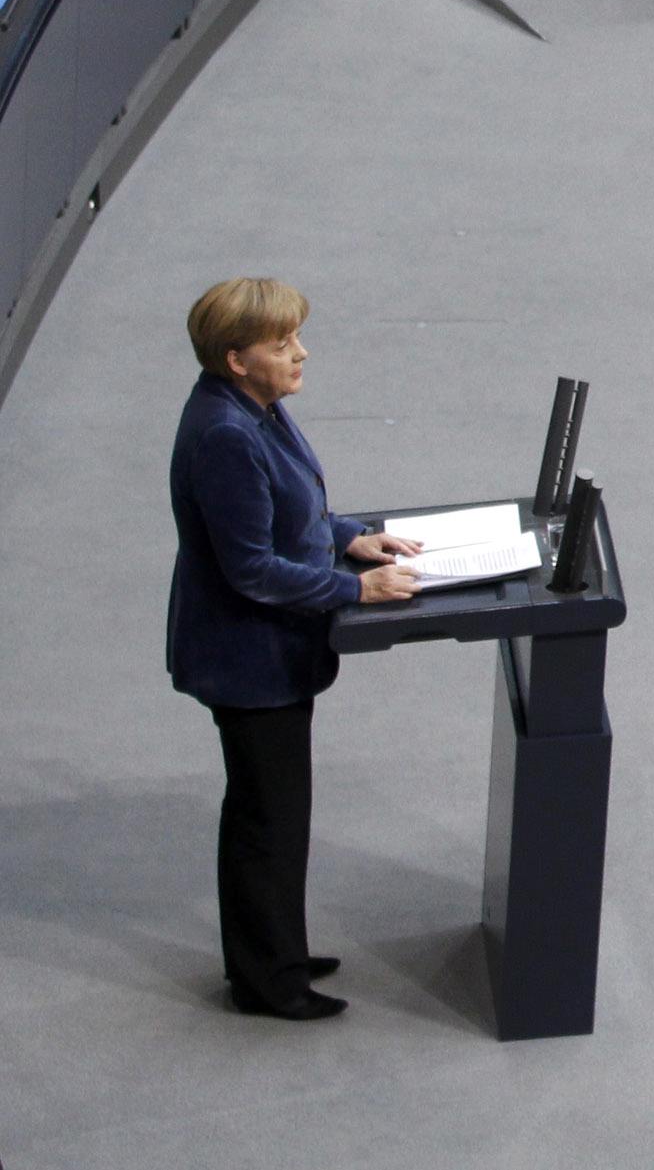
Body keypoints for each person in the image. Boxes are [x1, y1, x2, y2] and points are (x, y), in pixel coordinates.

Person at [167, 278, 419, 1024]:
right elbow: (251, 568)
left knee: (273, 814)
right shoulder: (225, 434)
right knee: (266, 821)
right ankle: (267, 982)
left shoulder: (256, 408)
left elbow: (292, 508)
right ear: (236, 358)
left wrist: (348, 536)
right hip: (248, 660)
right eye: (282, 344)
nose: (300, 353)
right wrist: (354, 590)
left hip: (269, 653)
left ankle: (276, 950)